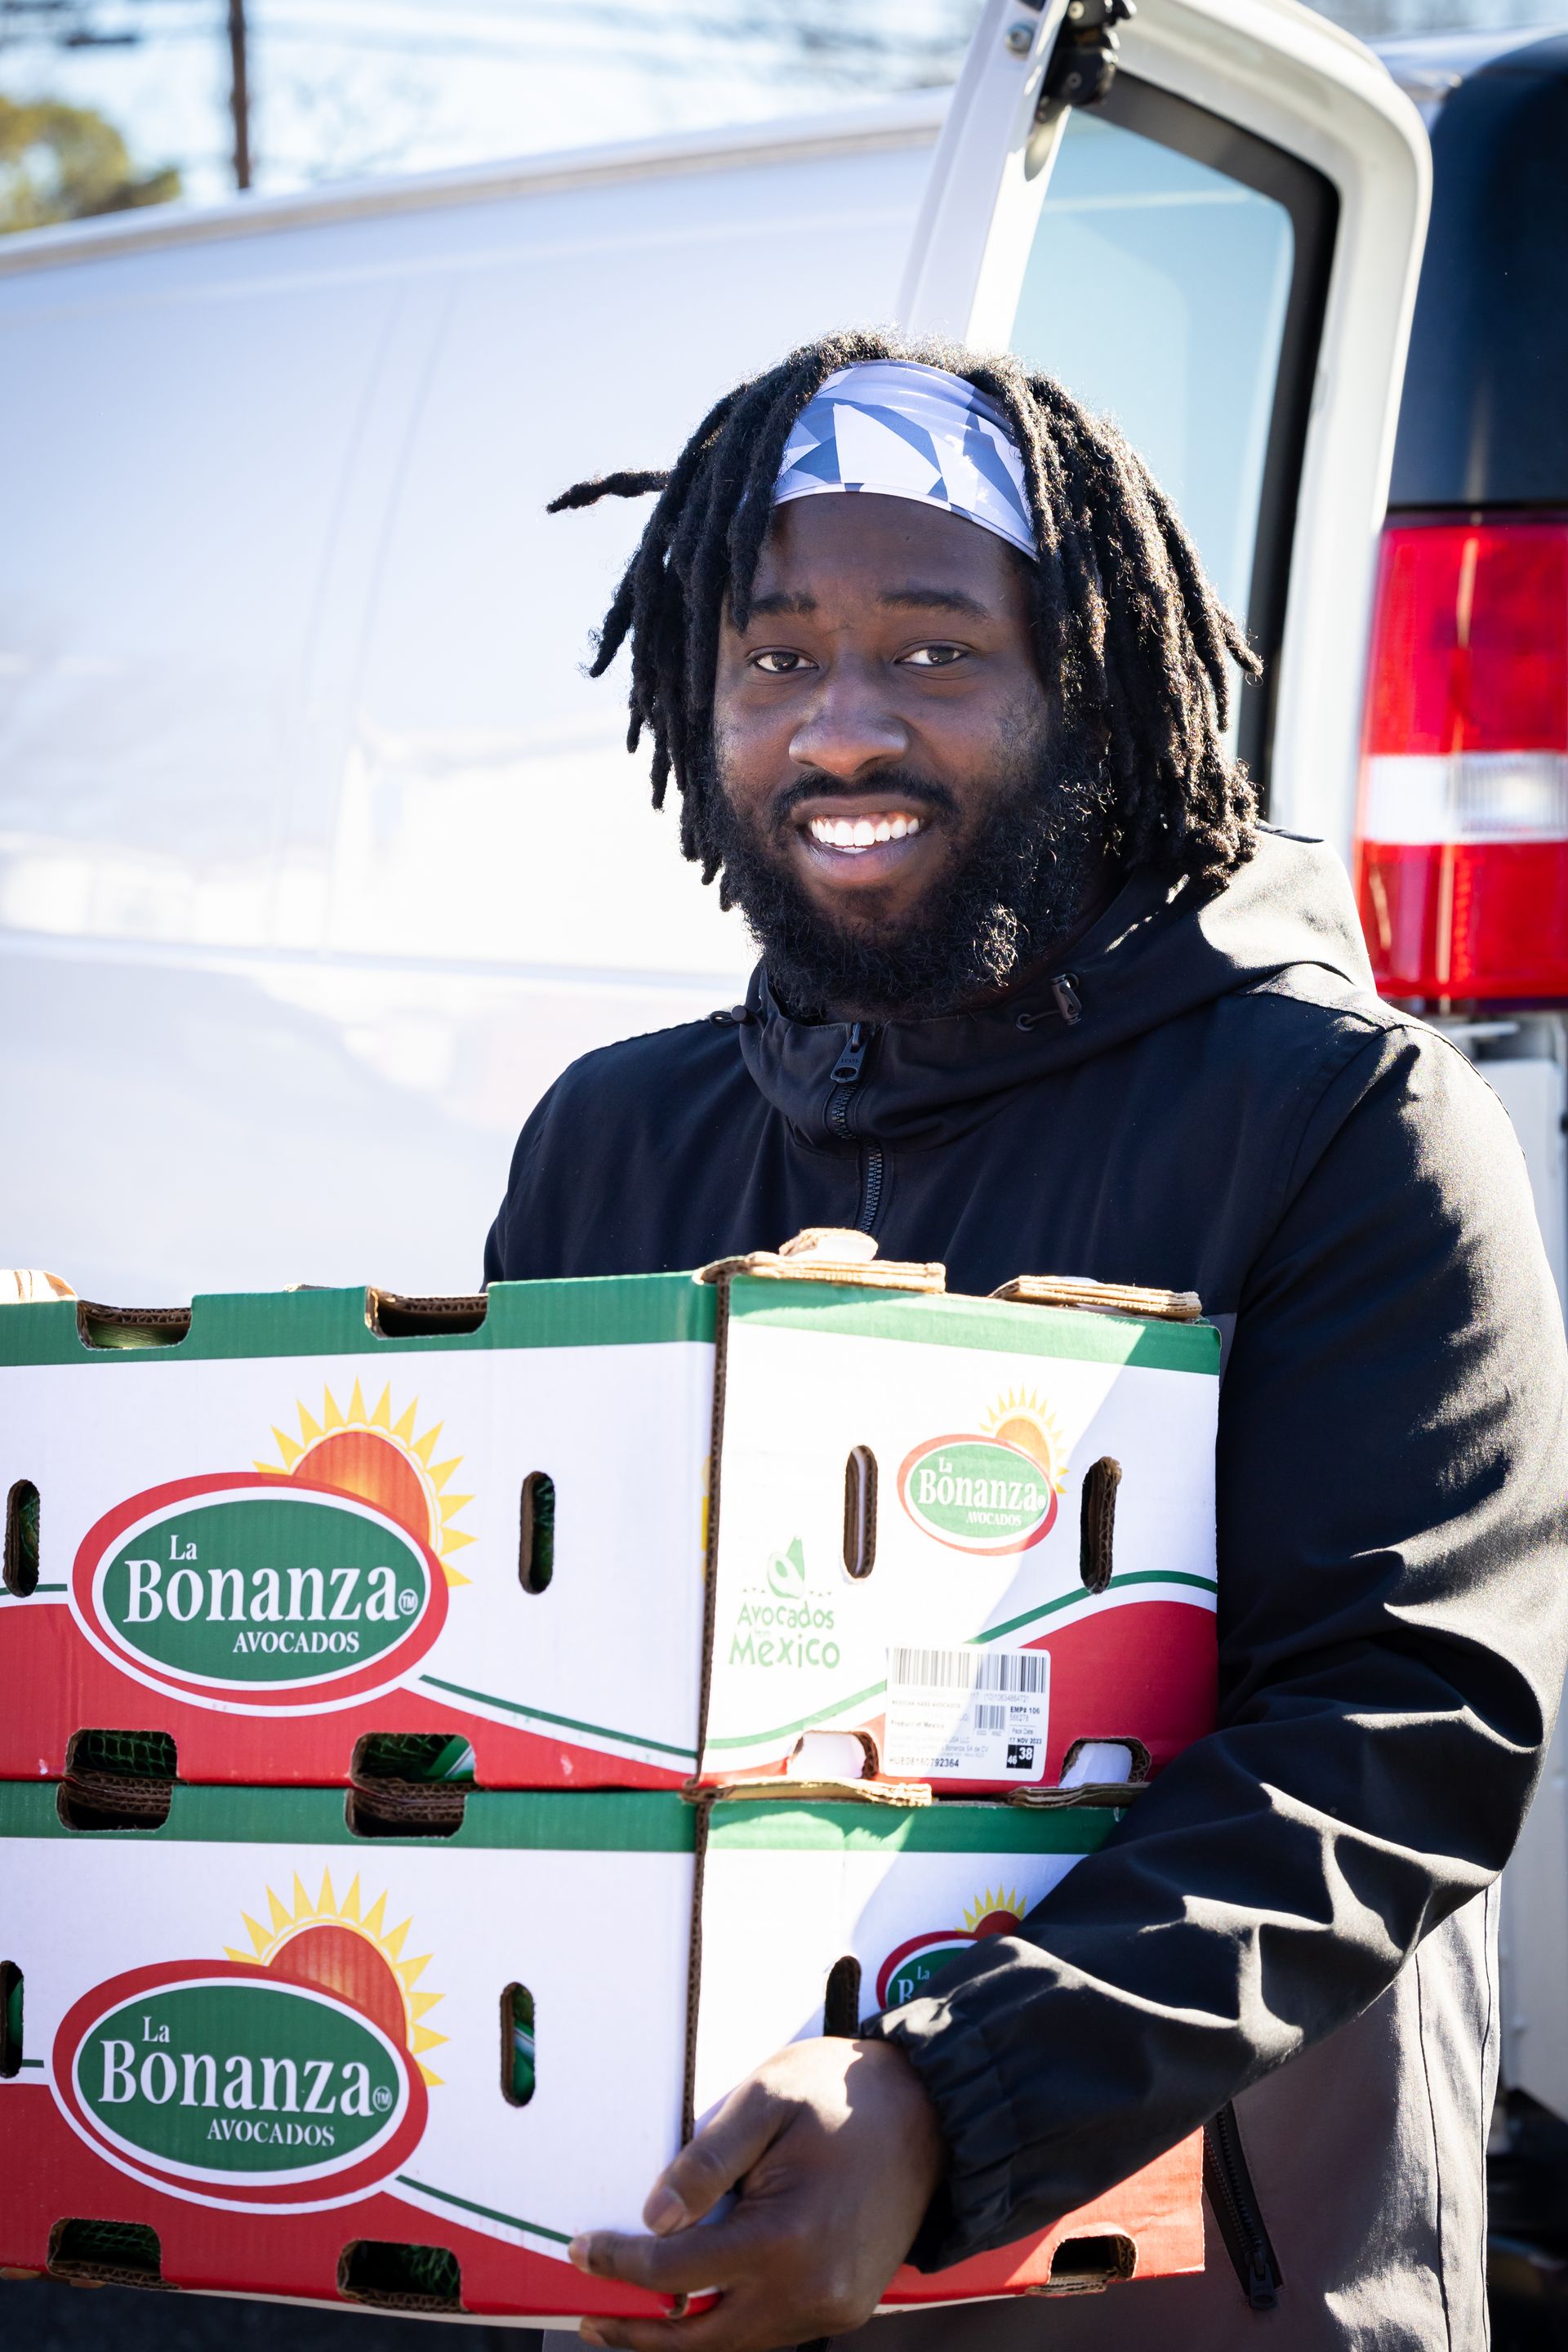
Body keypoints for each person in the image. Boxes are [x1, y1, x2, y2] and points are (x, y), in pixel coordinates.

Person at [484, 332, 1568, 2352]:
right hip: (703, 2280)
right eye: (779, 657)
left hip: (1203, 2307)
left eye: (934, 650)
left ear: (1094, 694)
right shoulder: (614, 1143)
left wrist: (943, 2102)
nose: (844, 728)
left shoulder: (1346, 1119)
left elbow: (1396, 1739)